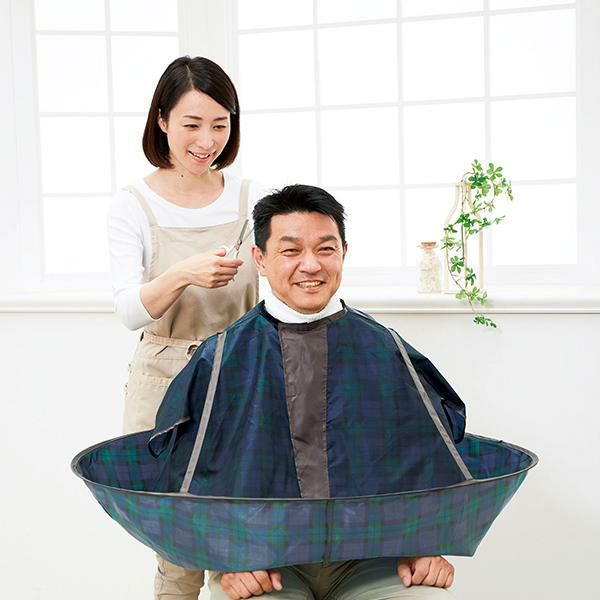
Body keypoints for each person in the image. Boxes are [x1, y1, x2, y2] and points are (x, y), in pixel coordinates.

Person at [147, 184, 464, 599]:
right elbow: (185, 470)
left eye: (325, 249)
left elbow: (431, 448)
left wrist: (426, 544)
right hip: (262, 559)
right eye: (291, 251)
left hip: (371, 553)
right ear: (260, 259)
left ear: (344, 253)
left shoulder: (385, 348)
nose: (310, 265)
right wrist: (230, 557)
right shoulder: (221, 356)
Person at [107, 55, 268, 600]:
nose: (207, 141)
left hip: (241, 373)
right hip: (164, 376)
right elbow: (129, 310)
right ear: (161, 121)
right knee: (175, 547)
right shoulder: (133, 205)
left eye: (220, 125)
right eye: (192, 124)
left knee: (239, 543)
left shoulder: (251, 198)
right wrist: (183, 274)